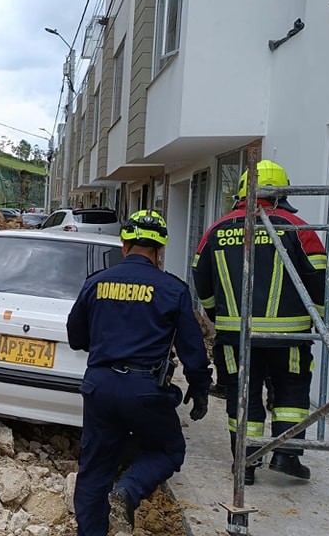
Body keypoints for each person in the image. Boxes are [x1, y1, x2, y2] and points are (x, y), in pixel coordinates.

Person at [193, 159, 329, 485]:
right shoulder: (297, 228)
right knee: (290, 392)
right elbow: (320, 280)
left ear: (243, 193)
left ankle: (245, 463)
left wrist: (218, 315)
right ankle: (286, 455)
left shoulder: (217, 230)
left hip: (234, 336)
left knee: (241, 395)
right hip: (288, 337)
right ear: (281, 195)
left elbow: (200, 278)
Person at [67, 209, 212, 535]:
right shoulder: (172, 289)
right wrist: (200, 388)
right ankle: (129, 489)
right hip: (145, 389)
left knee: (94, 470)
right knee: (168, 450)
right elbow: (193, 350)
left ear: (124, 244)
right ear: (160, 251)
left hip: (100, 386)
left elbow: (76, 338)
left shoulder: (96, 283)